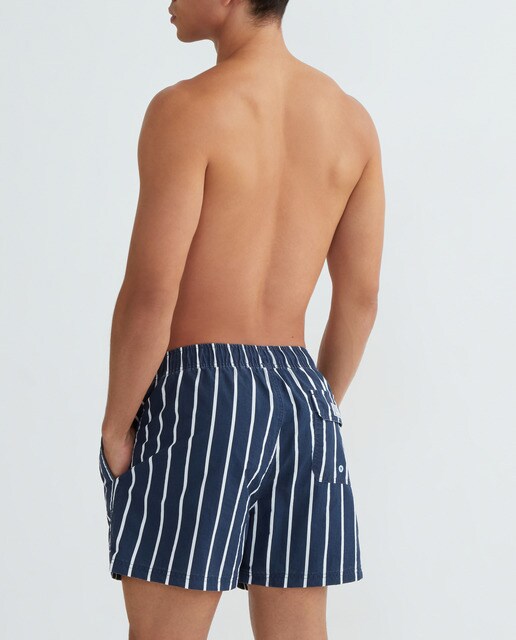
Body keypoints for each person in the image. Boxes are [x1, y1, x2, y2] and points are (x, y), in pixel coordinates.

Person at [98, 0, 385, 637]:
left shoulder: (186, 110)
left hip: (200, 391)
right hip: (302, 397)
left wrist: (117, 425)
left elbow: (151, 294)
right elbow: (360, 299)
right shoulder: (351, 122)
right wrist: (314, 407)